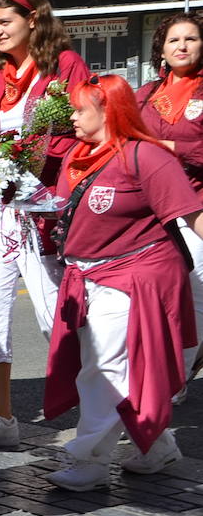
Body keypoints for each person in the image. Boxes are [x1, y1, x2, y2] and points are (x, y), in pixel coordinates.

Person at [43, 75, 199, 489]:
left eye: (80, 110)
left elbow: (193, 215)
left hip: (135, 275)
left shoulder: (146, 157)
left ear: (108, 111)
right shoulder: (79, 155)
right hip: (87, 274)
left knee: (105, 368)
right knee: (113, 367)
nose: (72, 118)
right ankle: (157, 445)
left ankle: (89, 460)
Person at [0, 0, 89, 450]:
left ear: (33, 20)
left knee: (60, 315)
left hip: (47, 205)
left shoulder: (65, 67)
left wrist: (36, 157)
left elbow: (82, 129)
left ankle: (102, 417)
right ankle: (0, 421)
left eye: (4, 22)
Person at [135, 12, 203, 405]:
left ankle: (175, 378)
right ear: (161, 48)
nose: (182, 46)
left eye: (191, 39)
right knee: (155, 298)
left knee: (192, 296)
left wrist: (172, 149)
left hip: (195, 209)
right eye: (174, 40)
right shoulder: (145, 94)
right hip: (150, 209)